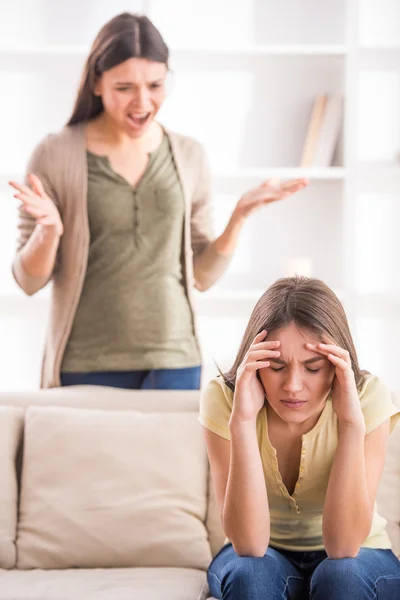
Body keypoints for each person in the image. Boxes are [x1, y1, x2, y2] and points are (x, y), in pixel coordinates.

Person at [9, 13, 307, 390]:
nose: (143, 102)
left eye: (155, 85)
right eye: (125, 87)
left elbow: (202, 275)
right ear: (97, 82)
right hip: (85, 363)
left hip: (176, 360)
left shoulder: (188, 154)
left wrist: (239, 216)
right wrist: (49, 231)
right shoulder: (55, 153)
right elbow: (28, 280)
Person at [199, 276, 400, 599]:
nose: (293, 385)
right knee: (251, 574)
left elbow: (344, 546)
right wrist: (243, 421)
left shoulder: (368, 396)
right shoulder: (224, 399)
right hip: (262, 554)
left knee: (341, 576)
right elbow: (249, 545)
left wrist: (350, 424)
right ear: (256, 363)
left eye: (313, 367)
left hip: (360, 554)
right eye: (277, 367)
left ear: (336, 365)